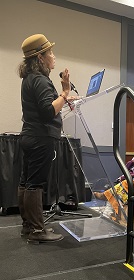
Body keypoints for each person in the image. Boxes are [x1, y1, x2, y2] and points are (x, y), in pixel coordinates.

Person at [18, 34, 78, 243]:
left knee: (26, 182)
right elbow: (46, 112)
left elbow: (43, 106)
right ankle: (37, 231)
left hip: (30, 136)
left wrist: (63, 98)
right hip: (41, 138)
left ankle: (28, 227)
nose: (53, 56)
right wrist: (64, 92)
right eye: (50, 52)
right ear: (40, 58)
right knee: (35, 183)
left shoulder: (30, 78)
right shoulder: (41, 80)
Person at [93, 145, 134, 218]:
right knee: (114, 192)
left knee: (117, 191)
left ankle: (106, 203)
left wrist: (131, 173)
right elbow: (125, 168)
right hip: (127, 179)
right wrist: (132, 161)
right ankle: (109, 211)